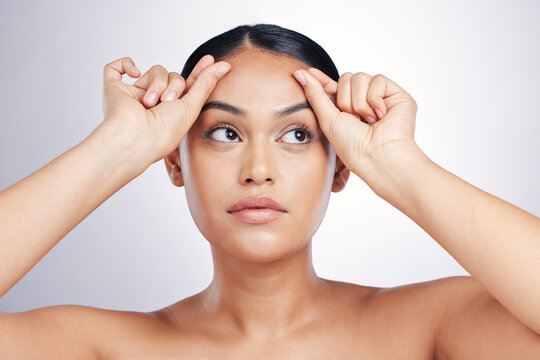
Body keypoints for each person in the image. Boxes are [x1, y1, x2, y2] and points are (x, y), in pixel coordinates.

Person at [0, 23, 539, 358]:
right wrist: (116, 146)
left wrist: (397, 164)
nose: (259, 170)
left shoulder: (431, 328)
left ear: (340, 166)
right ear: (174, 162)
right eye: (225, 133)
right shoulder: (101, 348)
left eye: (298, 135)